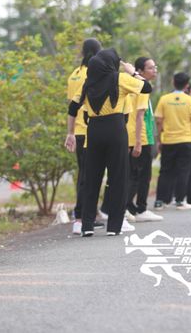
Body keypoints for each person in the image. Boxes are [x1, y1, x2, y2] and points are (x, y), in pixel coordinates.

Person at [64, 48, 150, 236]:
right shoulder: (120, 78)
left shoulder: (88, 82)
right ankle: (114, 226)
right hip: (116, 130)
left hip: (93, 131)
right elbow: (146, 87)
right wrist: (133, 72)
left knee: (91, 179)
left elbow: (72, 108)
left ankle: (87, 226)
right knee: (118, 177)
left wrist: (70, 133)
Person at [66, 38, 104, 235]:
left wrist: (70, 132)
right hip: (90, 130)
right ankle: (81, 218)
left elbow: (71, 106)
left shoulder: (74, 74)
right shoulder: (93, 73)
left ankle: (86, 215)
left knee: (85, 175)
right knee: (89, 177)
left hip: (78, 130)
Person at [154, 72, 191, 210]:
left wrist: (159, 140)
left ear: (173, 82)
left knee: (165, 171)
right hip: (186, 141)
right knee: (183, 171)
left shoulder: (164, 99)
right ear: (187, 85)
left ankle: (159, 201)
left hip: (168, 140)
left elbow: (158, 121)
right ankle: (180, 200)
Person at [124, 57, 163, 223]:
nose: (155, 70)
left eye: (155, 67)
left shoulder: (131, 85)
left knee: (133, 175)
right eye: (151, 68)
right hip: (141, 138)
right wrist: (139, 142)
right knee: (142, 176)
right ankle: (140, 209)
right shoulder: (141, 87)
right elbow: (139, 116)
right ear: (139, 71)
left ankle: (129, 207)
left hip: (134, 136)